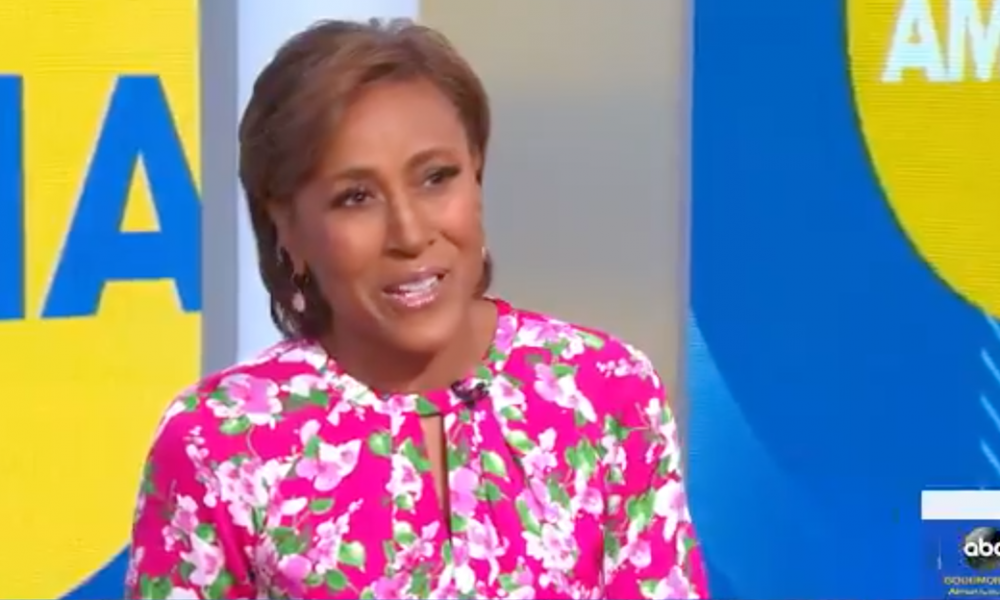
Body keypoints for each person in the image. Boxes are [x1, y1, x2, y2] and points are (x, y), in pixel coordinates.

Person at [125, 18, 708, 600]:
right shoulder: (217, 442)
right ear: (288, 227)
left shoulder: (605, 394)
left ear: (476, 173)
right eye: (356, 197)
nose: (409, 233)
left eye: (436, 178)